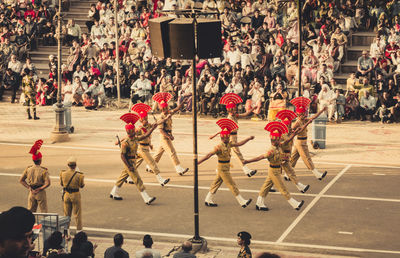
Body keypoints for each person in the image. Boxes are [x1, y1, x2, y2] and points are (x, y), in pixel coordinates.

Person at [244, 121, 304, 211]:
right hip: (274, 171)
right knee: (282, 188)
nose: (280, 140)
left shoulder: (278, 145)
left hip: (275, 170)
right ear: (274, 140)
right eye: (278, 139)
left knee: (266, 186)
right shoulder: (271, 151)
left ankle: (259, 203)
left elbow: (287, 140)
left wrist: (295, 133)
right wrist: (247, 161)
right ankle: (295, 204)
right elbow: (260, 157)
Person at [198, 119, 253, 208]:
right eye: (227, 137)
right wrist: (198, 162)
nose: (228, 138)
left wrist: (248, 139)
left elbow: (239, 144)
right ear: (222, 138)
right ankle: (242, 201)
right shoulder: (218, 147)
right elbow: (209, 155)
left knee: (216, 184)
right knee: (232, 185)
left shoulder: (229, 144)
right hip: (222, 168)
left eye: (228, 137)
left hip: (226, 167)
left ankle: (208, 199)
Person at [110, 113, 158, 203]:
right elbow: (122, 156)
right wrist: (129, 166)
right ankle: (146, 198)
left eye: (133, 130)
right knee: (138, 180)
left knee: (122, 177)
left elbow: (145, 136)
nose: (133, 132)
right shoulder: (126, 143)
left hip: (132, 161)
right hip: (129, 162)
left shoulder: (135, 138)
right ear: (128, 132)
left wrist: (152, 129)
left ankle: (114, 192)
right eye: (131, 131)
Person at [210, 93, 257, 177]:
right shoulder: (229, 118)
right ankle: (246, 170)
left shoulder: (235, 116)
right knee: (237, 154)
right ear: (230, 110)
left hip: (235, 137)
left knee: (227, 155)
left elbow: (245, 114)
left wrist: (253, 108)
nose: (235, 110)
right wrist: (214, 135)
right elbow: (223, 129)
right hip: (230, 138)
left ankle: (219, 169)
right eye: (234, 109)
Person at [151, 92, 189, 176]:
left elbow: (176, 109)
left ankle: (150, 166)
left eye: (166, 108)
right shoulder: (161, 117)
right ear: (161, 109)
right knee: (172, 152)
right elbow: (161, 130)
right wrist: (169, 136)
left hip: (167, 136)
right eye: (164, 108)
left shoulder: (168, 113)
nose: (166, 109)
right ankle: (179, 169)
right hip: (164, 137)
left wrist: (183, 102)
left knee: (159, 153)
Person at [132, 103, 170, 186]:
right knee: (153, 163)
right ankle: (161, 180)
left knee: (135, 164)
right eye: (144, 119)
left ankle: (127, 177)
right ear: (140, 120)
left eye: (147, 118)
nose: (146, 120)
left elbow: (157, 123)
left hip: (145, 147)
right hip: (142, 149)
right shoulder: (138, 129)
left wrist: (165, 119)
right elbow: (134, 138)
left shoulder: (149, 125)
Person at [290, 97, 327, 179]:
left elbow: (313, 117)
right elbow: (294, 131)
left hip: (300, 143)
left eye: (304, 114)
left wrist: (321, 111)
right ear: (298, 114)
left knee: (293, 159)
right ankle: (317, 174)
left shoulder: (304, 120)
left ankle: (287, 174)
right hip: (300, 143)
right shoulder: (297, 122)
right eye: (302, 114)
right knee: (307, 158)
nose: (304, 115)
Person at [275, 110, 310, 193]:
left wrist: (294, 132)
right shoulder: (282, 133)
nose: (289, 125)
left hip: (286, 155)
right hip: (281, 156)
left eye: (290, 124)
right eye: (288, 124)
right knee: (285, 172)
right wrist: (294, 133)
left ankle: (300, 187)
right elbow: (284, 143)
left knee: (276, 174)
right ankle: (300, 187)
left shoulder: (288, 131)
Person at [19, 139, 50, 213]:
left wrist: (29, 187)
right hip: (40, 192)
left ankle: (30, 224)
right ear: (40, 160)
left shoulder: (28, 169)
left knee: (30, 212)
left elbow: (21, 180)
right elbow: (48, 183)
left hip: (31, 192)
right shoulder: (43, 170)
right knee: (44, 211)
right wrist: (40, 188)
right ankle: (43, 225)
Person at [60, 157, 85, 231]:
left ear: (68, 165)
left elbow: (61, 184)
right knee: (77, 214)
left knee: (66, 214)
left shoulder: (63, 173)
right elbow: (82, 185)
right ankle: (79, 231)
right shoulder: (79, 175)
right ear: (75, 165)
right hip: (75, 195)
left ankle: (66, 232)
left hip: (66, 194)